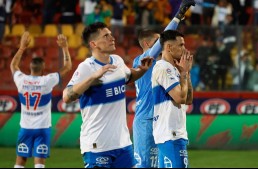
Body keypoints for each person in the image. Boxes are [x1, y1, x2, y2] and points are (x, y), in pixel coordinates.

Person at [62, 22, 153, 168]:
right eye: (106, 36)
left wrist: (142, 70)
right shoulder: (87, 67)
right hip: (97, 145)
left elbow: (129, 76)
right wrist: (92, 78)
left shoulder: (117, 60)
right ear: (94, 44)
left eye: (111, 34)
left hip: (123, 144)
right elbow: (66, 96)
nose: (112, 38)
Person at [132, 0, 195, 168]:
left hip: (159, 120)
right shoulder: (142, 61)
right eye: (157, 43)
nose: (160, 46)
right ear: (146, 45)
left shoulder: (164, 65)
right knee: (145, 165)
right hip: (145, 118)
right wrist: (178, 16)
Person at [10, 32, 72, 168]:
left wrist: (21, 48)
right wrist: (65, 47)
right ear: (43, 68)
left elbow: (13, 66)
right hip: (42, 128)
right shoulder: (47, 81)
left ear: (30, 68)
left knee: (20, 161)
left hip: (25, 127)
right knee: (39, 164)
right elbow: (67, 67)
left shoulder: (21, 80)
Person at [151, 30, 194, 168]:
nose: (184, 49)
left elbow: (188, 100)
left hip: (170, 133)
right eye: (181, 45)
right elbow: (180, 98)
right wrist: (184, 74)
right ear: (169, 47)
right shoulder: (164, 68)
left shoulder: (174, 69)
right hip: (171, 133)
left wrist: (185, 73)